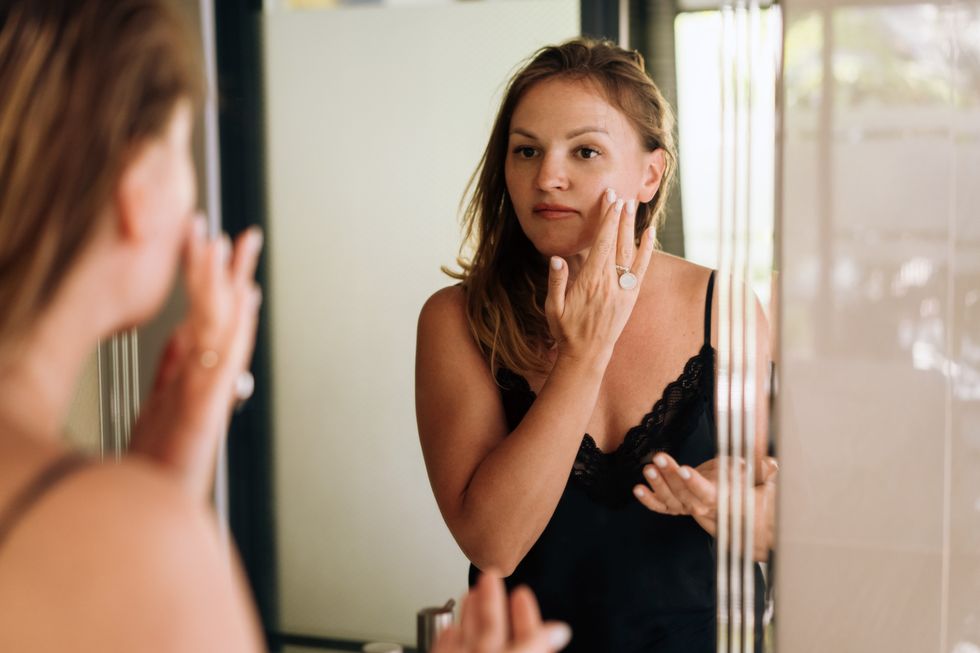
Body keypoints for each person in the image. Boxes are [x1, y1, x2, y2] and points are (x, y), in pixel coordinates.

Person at [0, 2, 565, 651]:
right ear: (138, 190)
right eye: (181, 146)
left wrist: (161, 484)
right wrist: (152, 523)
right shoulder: (129, 540)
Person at [416, 38, 777, 652]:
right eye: (526, 150)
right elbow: (495, 545)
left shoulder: (725, 306)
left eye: (584, 151)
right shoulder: (457, 320)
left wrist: (740, 513)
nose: (547, 177)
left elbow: (783, 530)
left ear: (649, 174)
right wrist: (583, 356)